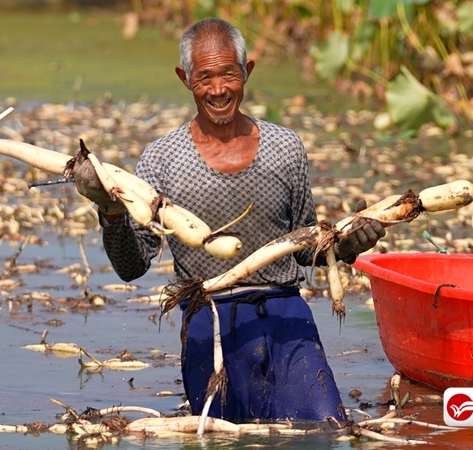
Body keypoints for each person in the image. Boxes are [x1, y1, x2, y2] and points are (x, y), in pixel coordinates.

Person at [73, 18, 384, 423]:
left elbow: (306, 248)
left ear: (247, 72)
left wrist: (345, 244)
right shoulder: (161, 159)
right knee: (224, 435)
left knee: (322, 428)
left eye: (228, 74)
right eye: (205, 77)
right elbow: (132, 267)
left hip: (284, 315)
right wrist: (110, 210)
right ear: (185, 79)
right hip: (210, 317)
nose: (218, 90)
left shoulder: (284, 148)